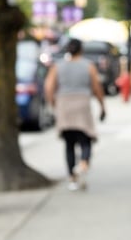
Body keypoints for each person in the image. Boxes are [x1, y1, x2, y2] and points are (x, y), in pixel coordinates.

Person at [43, 38, 106, 191]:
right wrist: (102, 105)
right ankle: (84, 162)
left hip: (64, 104)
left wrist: (53, 104)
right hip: (82, 103)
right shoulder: (88, 66)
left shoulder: (57, 67)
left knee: (69, 144)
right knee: (86, 138)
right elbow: (96, 87)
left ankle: (72, 178)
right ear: (81, 50)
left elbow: (49, 87)